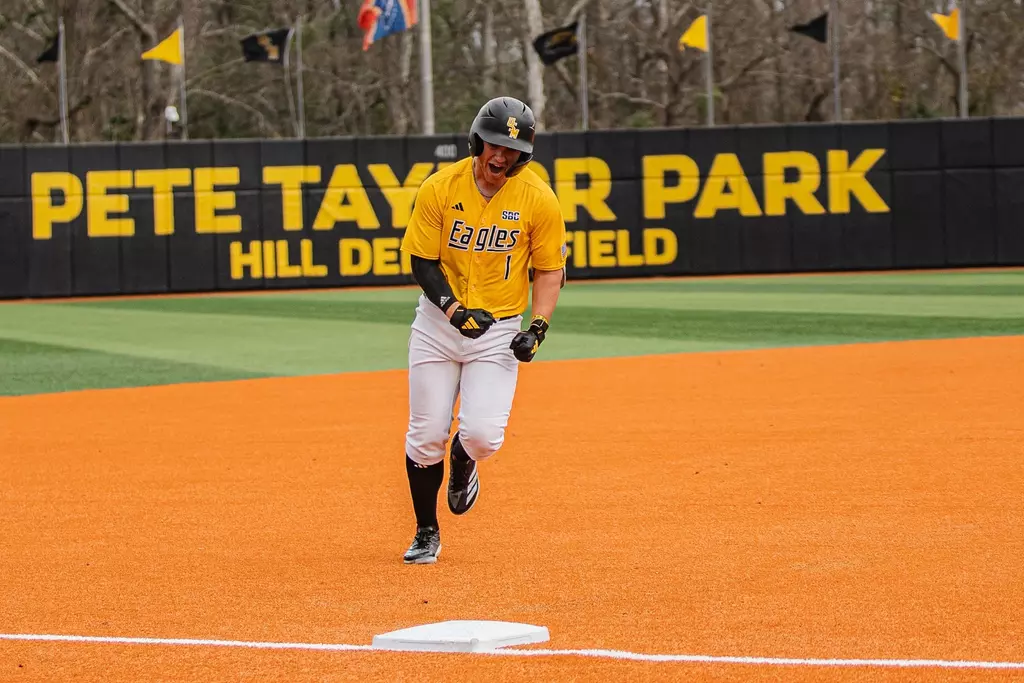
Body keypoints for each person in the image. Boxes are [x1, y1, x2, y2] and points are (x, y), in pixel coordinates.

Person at [398, 96, 567, 564]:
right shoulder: (440, 187)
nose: (500, 156)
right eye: (493, 144)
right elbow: (422, 260)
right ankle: (426, 530)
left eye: (511, 149)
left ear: (524, 155)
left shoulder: (538, 199)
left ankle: (465, 458)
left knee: (482, 437)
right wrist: (452, 309)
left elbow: (550, 269)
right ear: (476, 141)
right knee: (425, 433)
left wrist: (538, 328)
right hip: (438, 323)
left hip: (497, 328)